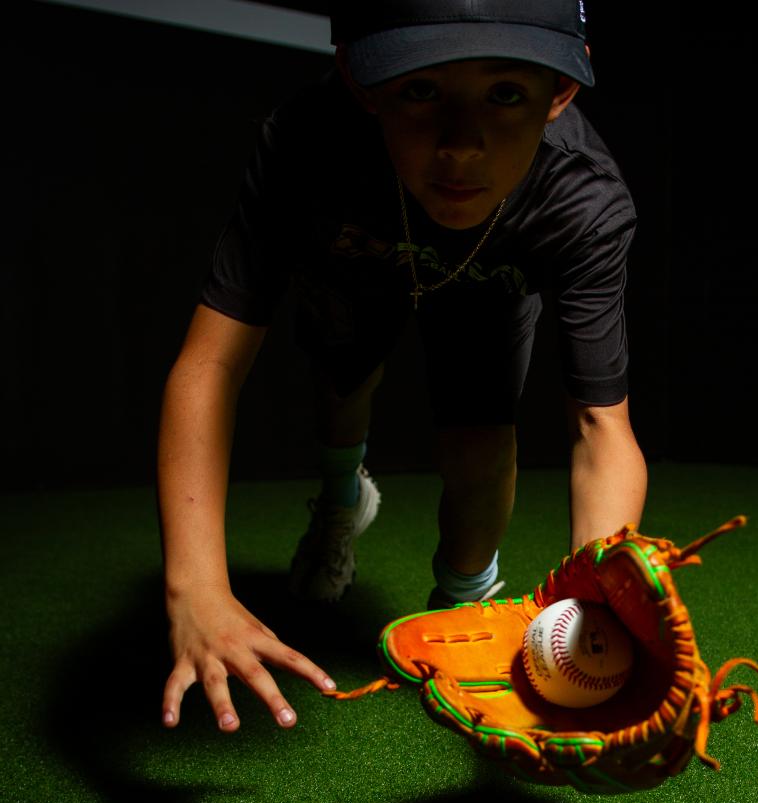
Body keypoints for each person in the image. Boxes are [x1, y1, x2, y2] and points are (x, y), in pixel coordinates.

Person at [157, 0, 648, 734]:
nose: (460, 145)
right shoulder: (307, 141)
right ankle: (337, 506)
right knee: (342, 387)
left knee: (480, 439)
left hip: (489, 277)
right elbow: (211, 366)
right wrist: (194, 588)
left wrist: (603, 611)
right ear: (361, 82)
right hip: (355, 255)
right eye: (421, 88)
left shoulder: (582, 200)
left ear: (560, 94)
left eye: (506, 93)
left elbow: (600, 426)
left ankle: (463, 607)